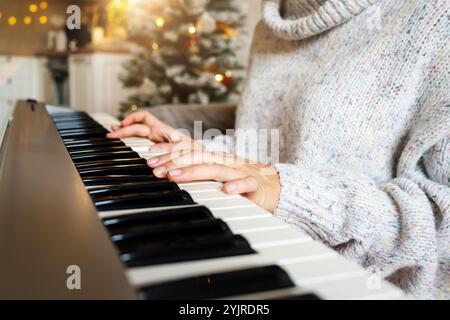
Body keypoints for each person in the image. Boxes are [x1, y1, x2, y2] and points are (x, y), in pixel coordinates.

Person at [108, 0, 449, 299]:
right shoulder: (270, 26)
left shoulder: (435, 16)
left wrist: (293, 194)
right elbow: (260, 146)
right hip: (255, 252)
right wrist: (193, 148)